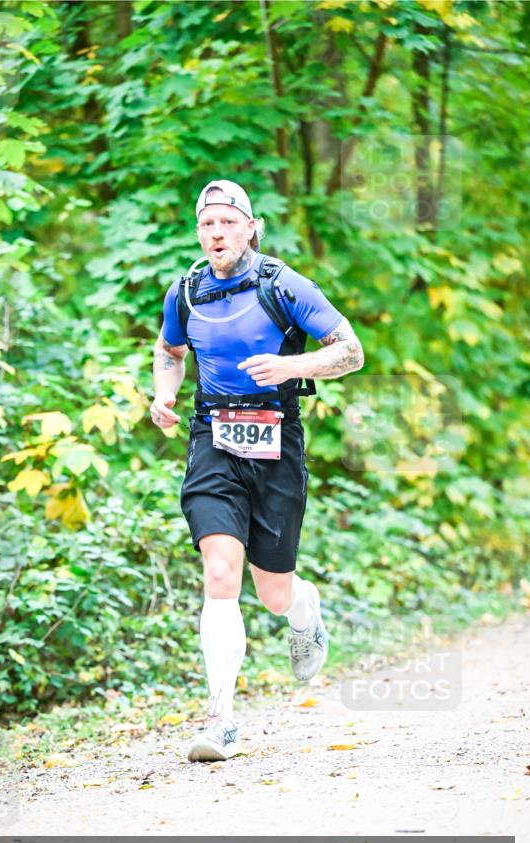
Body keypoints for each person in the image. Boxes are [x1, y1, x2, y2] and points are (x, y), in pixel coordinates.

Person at [151, 180, 364, 763]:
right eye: (206, 224)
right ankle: (221, 719)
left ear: (250, 227)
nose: (215, 233)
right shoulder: (186, 292)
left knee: (271, 593)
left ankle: (304, 608)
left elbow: (350, 350)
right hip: (212, 438)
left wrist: (291, 365)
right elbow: (169, 352)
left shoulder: (282, 285)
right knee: (220, 574)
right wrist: (163, 396)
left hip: (276, 440)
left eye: (226, 222)